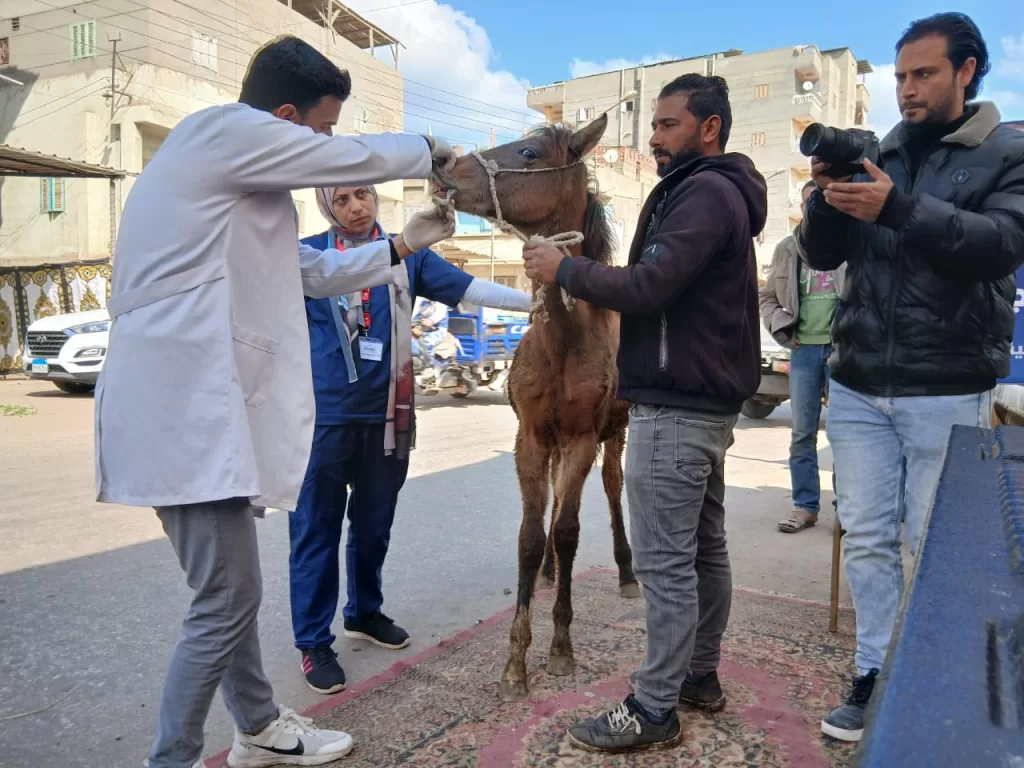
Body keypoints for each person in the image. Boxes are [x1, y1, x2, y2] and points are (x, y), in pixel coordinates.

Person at [95, 37, 458, 768]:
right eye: (321, 130)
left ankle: (260, 725)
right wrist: (438, 153)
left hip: (199, 410)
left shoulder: (236, 191)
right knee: (225, 600)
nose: (327, 148)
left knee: (229, 594)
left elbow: (319, 273)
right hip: (179, 409)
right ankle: (172, 758)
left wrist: (404, 248)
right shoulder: (217, 132)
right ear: (283, 118)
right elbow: (352, 158)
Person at [522, 73, 766, 753]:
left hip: (675, 405)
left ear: (708, 127)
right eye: (653, 126)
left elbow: (650, 286)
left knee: (663, 564)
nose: (654, 138)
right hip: (703, 402)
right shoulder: (716, 193)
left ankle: (655, 706)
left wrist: (563, 270)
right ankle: (699, 677)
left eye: (666, 125)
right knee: (703, 549)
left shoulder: (706, 194)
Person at [798, 13, 1024, 742]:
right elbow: (822, 255)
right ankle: (874, 672)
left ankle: (941, 677)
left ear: (967, 71)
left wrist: (897, 209)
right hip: (860, 380)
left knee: (933, 545)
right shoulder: (880, 152)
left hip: (947, 381)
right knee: (865, 534)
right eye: (899, 76)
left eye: (923, 73)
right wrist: (823, 201)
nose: (907, 89)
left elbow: (1000, 245)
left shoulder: (1008, 150)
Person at [290, 184, 531, 694]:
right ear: (325, 209)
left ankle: (364, 612)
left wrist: (535, 303)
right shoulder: (306, 255)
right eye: (342, 201)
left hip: (387, 421)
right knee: (316, 530)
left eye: (362, 195)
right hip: (322, 420)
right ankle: (313, 641)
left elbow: (470, 289)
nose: (356, 207)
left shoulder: (410, 256)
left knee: (374, 526)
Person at [759, 180, 845, 534]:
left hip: (844, 353)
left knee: (845, 434)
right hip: (804, 352)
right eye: (811, 201)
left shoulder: (849, 244)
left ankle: (848, 510)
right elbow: (767, 298)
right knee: (802, 433)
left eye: (822, 201)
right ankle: (805, 506)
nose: (816, 208)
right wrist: (782, 327)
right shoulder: (786, 249)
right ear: (803, 207)